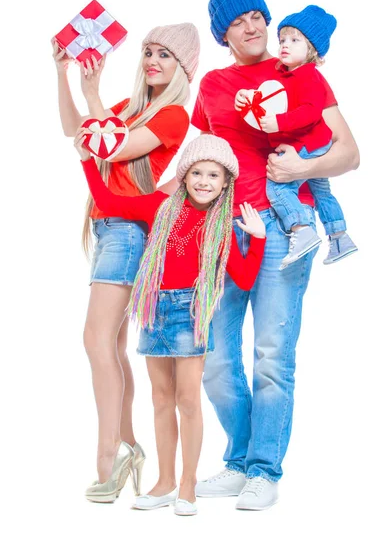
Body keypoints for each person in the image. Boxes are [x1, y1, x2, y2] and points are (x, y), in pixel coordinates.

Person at [191, 0, 360, 510]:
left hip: (283, 229)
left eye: (259, 15)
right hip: (224, 230)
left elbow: (350, 152)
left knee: (270, 356)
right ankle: (240, 460)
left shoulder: (301, 73)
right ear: (224, 33)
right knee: (215, 358)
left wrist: (304, 167)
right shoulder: (214, 85)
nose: (254, 26)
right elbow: (201, 154)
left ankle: (263, 469)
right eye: (239, 21)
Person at [74, 132, 266, 515]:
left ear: (226, 182)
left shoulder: (221, 225)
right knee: (161, 397)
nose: (204, 182)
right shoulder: (159, 206)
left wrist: (257, 240)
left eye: (213, 175)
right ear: (184, 175)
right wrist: (85, 161)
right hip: (153, 308)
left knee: (187, 399)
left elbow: (243, 279)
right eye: (197, 172)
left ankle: (188, 485)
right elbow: (110, 201)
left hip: (191, 313)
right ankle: (164, 481)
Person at [52, 22, 200, 501]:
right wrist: (65, 76)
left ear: (183, 67)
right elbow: (78, 132)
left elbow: (114, 149)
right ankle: (128, 445)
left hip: (129, 232)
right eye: (148, 52)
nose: (152, 61)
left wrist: (94, 94)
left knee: (96, 339)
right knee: (110, 346)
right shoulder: (133, 110)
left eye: (165, 55)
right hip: (107, 229)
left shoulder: (174, 115)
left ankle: (108, 454)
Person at [234, 5, 358, 269]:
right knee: (321, 192)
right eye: (282, 40)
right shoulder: (291, 74)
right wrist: (248, 97)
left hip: (310, 144)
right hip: (317, 144)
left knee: (278, 189)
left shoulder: (307, 75)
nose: (284, 45)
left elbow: (311, 113)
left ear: (311, 49)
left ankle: (301, 230)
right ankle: (339, 237)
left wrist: (277, 123)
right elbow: (273, 97)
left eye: (294, 40)